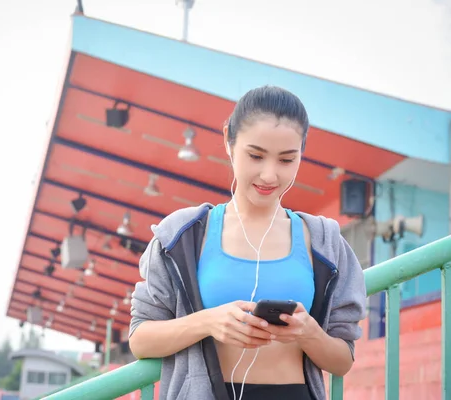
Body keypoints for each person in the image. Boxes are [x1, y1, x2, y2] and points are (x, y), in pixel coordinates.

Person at [128, 85, 367, 400]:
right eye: (255, 155)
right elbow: (140, 339)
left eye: (286, 160)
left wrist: (309, 334)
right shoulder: (183, 236)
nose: (269, 175)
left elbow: (342, 360)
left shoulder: (324, 241)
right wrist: (209, 322)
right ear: (229, 140)